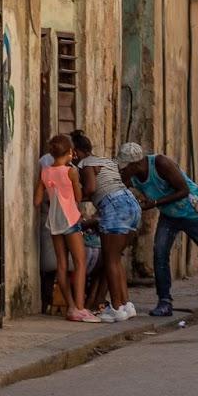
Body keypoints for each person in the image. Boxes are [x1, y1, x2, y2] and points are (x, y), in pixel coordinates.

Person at [119, 143, 198, 317]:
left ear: (135, 164)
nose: (123, 170)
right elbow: (120, 187)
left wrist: (155, 203)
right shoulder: (133, 176)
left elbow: (183, 190)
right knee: (159, 254)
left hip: (191, 211)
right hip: (169, 216)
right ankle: (164, 301)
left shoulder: (160, 163)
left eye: (125, 167)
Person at [75, 131, 140, 322]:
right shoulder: (106, 160)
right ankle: (126, 305)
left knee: (110, 259)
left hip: (114, 207)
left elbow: (91, 189)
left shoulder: (86, 164)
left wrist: (74, 196)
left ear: (77, 152)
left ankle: (116, 308)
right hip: (131, 204)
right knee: (116, 259)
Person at [35, 134, 97, 322]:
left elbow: (37, 200)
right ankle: (79, 307)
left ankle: (70, 306)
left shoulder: (45, 171)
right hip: (70, 219)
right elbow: (78, 197)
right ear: (70, 152)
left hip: (54, 222)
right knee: (80, 262)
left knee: (61, 264)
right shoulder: (71, 172)